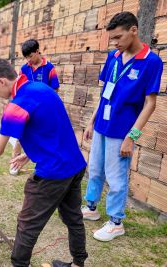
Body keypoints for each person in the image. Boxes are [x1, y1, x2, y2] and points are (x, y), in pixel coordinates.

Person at [0, 58, 88, 267]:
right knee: (73, 218)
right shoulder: (42, 88)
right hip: (75, 165)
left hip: (53, 173)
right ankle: (78, 263)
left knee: (27, 224)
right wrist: (29, 154)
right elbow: (51, 129)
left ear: (3, 81)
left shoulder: (17, 105)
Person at [81, 11, 163, 242]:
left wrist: (132, 135)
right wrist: (91, 119)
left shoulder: (151, 62)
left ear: (133, 30)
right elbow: (105, 91)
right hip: (102, 125)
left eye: (118, 37)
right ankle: (91, 207)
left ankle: (116, 222)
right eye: (112, 39)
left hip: (122, 130)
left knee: (116, 178)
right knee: (95, 169)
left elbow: (150, 103)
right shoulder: (113, 57)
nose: (115, 43)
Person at [9, 39, 60, 175]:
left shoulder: (49, 68)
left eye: (30, 56)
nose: (28, 60)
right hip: (27, 108)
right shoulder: (24, 69)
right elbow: (18, 88)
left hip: (43, 110)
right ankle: (15, 161)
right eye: (26, 57)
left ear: (37, 51)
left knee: (42, 135)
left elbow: (54, 90)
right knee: (21, 134)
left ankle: (42, 164)